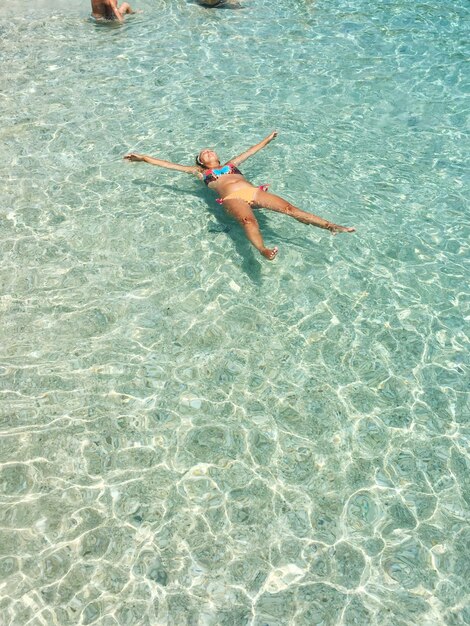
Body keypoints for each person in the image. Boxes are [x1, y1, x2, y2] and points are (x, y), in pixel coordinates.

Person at [124, 132, 355, 260]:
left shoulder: (232, 165)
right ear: (200, 162)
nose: (208, 151)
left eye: (210, 150)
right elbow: (168, 165)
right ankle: (263, 250)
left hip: (251, 191)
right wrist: (144, 158)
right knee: (248, 221)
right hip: (232, 199)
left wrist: (269, 139)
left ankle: (331, 226)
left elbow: (252, 150)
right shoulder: (200, 172)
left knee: (289, 209)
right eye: (203, 153)